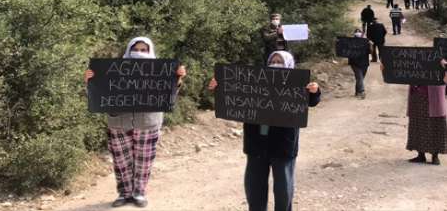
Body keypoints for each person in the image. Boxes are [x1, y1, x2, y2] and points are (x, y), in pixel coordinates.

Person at [208, 51, 321, 211]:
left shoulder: (296, 82)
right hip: (256, 145)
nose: (275, 63)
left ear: (289, 63)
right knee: (254, 187)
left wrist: (314, 91)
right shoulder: (255, 82)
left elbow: (312, 101)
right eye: (273, 60)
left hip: (282, 147)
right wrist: (219, 87)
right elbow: (234, 95)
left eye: (279, 61)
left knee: (283, 189)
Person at [84, 37, 187, 208]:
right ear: (129, 49)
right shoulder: (112, 70)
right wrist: (90, 81)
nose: (139, 52)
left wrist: (177, 78)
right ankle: (124, 193)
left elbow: (170, 95)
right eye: (136, 49)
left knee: (144, 160)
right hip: (118, 121)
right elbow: (98, 95)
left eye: (143, 50)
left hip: (148, 122)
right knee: (121, 161)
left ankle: (139, 192)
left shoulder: (160, 70)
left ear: (150, 51)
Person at [385, 63, 447, 166]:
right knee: (418, 124)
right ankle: (421, 154)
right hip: (417, 96)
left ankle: (435, 155)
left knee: (434, 124)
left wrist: (445, 66)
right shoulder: (415, 61)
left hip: (434, 96)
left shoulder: (441, 61)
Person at [350, 29, 370, 99]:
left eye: (359, 32)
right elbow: (344, 50)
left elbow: (370, 51)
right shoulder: (350, 42)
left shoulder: (366, 42)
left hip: (364, 63)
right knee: (359, 77)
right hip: (355, 63)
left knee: (360, 78)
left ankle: (357, 91)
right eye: (357, 32)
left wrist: (371, 45)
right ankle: (362, 91)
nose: (358, 33)